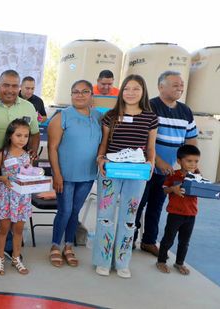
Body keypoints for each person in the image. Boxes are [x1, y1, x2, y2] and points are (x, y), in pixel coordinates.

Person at [93, 74, 158, 278]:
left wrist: (151, 165)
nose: (131, 93)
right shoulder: (110, 116)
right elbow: (104, 142)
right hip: (110, 172)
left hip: (137, 174)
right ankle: (103, 259)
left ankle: (122, 261)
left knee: (129, 219)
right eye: (127, 88)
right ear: (121, 91)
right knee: (105, 217)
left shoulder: (151, 118)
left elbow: (151, 147)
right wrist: (101, 158)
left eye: (136, 89)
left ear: (143, 92)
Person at [0, 70, 39, 262]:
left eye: (14, 86)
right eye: (6, 85)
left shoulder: (28, 107)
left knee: (14, 209)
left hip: (17, 173)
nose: (10, 90)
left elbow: (34, 133)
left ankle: (10, 247)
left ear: (19, 87)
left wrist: (32, 154)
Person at [135, 71, 198, 257]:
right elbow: (143, 139)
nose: (180, 87)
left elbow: (191, 140)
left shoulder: (185, 111)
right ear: (161, 86)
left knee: (156, 206)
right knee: (139, 204)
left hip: (169, 171)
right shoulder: (149, 106)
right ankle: (128, 239)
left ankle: (148, 241)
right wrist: (157, 161)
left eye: (181, 84)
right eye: (175, 84)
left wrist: (190, 165)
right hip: (147, 167)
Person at [47, 80, 102, 267]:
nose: (79, 95)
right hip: (66, 175)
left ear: (91, 95)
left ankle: (68, 245)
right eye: (75, 91)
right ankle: (55, 245)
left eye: (84, 91)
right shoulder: (61, 117)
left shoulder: (98, 117)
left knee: (75, 211)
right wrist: (57, 174)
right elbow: (52, 148)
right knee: (65, 211)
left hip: (87, 175)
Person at [0, 119, 33, 276]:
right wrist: (3, 178)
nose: (22, 139)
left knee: (19, 229)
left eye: (26, 136)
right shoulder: (3, 154)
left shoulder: (27, 155)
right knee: (3, 228)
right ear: (10, 136)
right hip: (6, 197)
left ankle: (16, 257)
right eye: (18, 135)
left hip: (22, 197)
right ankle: (0, 258)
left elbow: (29, 173)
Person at [156, 145, 201, 275]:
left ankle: (179, 263)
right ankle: (161, 261)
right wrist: (173, 189)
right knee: (168, 239)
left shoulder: (198, 177)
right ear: (179, 161)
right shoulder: (174, 175)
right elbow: (165, 189)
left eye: (196, 161)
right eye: (189, 161)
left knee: (185, 242)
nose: (193, 164)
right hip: (175, 213)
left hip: (191, 214)